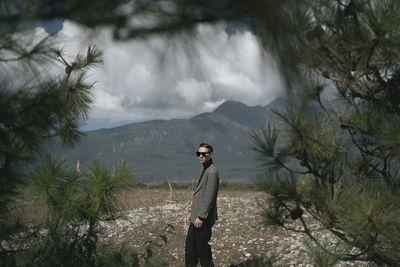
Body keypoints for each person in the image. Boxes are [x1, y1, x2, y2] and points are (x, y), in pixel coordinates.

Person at [185, 143, 219, 267]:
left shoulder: (212, 172)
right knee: (190, 248)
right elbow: (200, 195)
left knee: (202, 249)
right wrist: (192, 213)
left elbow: (210, 197)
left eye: (204, 154)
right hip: (196, 217)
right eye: (198, 153)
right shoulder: (205, 168)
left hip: (202, 219)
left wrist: (201, 216)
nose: (200, 156)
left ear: (211, 154)